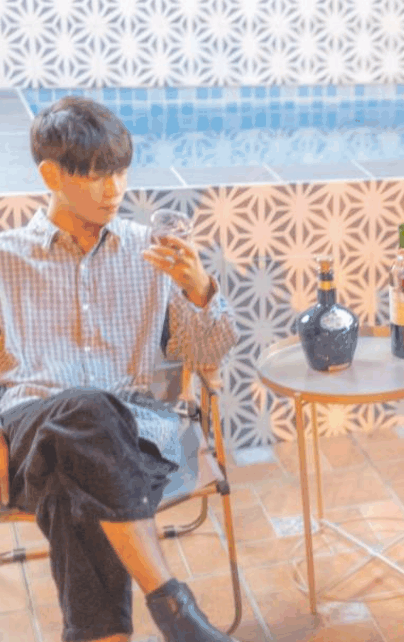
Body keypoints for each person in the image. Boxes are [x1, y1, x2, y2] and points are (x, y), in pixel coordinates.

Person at [0, 96, 240, 642]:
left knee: (73, 485)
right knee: (85, 408)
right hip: (31, 430)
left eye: (121, 172)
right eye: (97, 175)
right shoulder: (4, 259)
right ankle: (172, 606)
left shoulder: (151, 252)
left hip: (136, 438)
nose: (115, 190)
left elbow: (210, 355)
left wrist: (199, 290)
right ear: (51, 175)